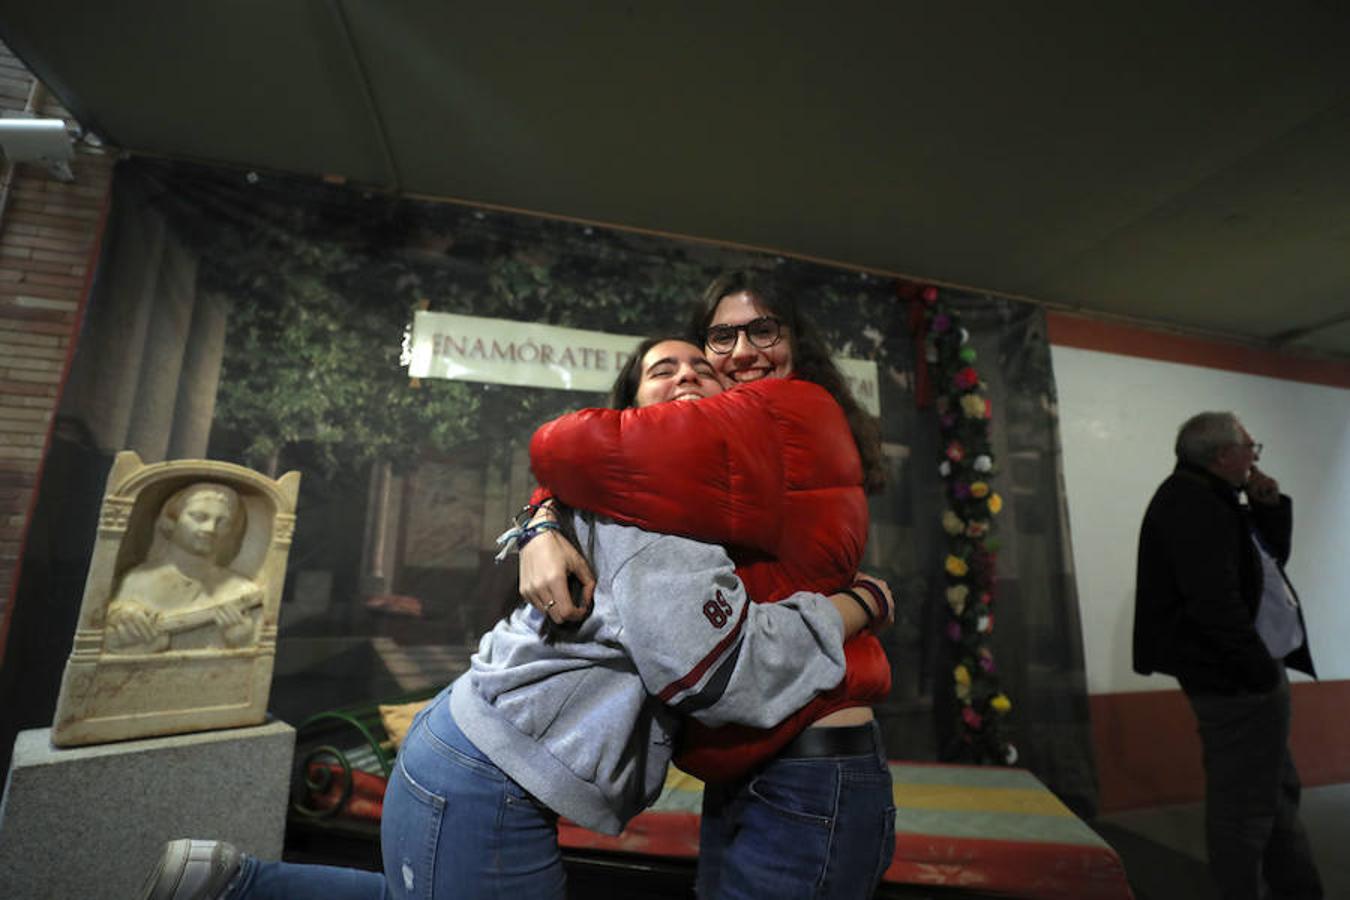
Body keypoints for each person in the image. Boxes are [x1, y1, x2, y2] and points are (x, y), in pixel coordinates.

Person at [139, 337, 894, 900]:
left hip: (469, 752)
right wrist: (864, 603)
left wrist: (540, 520)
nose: (694, 372)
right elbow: (732, 677)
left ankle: (233, 883)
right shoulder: (653, 515)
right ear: (630, 412)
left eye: (704, 369)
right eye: (663, 370)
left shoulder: (653, 498)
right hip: (483, 774)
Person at [521, 269, 894, 899]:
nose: (743, 353)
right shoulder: (703, 468)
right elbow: (593, 473)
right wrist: (538, 524)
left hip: (807, 756)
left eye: (764, 331)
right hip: (762, 760)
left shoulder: (783, 410)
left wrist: (864, 603)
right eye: (722, 337)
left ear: (797, 342)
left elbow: (567, 449)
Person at [1133, 411, 1323, 900]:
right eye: (1250, 448)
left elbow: (1265, 564)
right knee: (1245, 809)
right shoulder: (1193, 504)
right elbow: (1214, 603)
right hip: (1238, 682)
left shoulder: (1213, 497)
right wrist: (1258, 671)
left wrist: (1269, 507)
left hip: (1244, 674)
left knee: (1275, 794)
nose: (1254, 457)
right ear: (1222, 454)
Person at [107, 483, 261, 653]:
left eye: (222, 521)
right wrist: (122, 620)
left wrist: (241, 641)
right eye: (199, 517)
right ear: (171, 521)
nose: (210, 528)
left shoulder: (242, 590)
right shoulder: (137, 581)